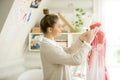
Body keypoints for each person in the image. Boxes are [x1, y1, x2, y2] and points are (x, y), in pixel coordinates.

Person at [39, 9, 98, 80]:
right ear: (50, 30)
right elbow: (76, 60)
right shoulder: (49, 49)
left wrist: (81, 39)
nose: (61, 28)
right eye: (59, 26)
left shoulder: (51, 43)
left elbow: (69, 51)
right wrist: (88, 43)